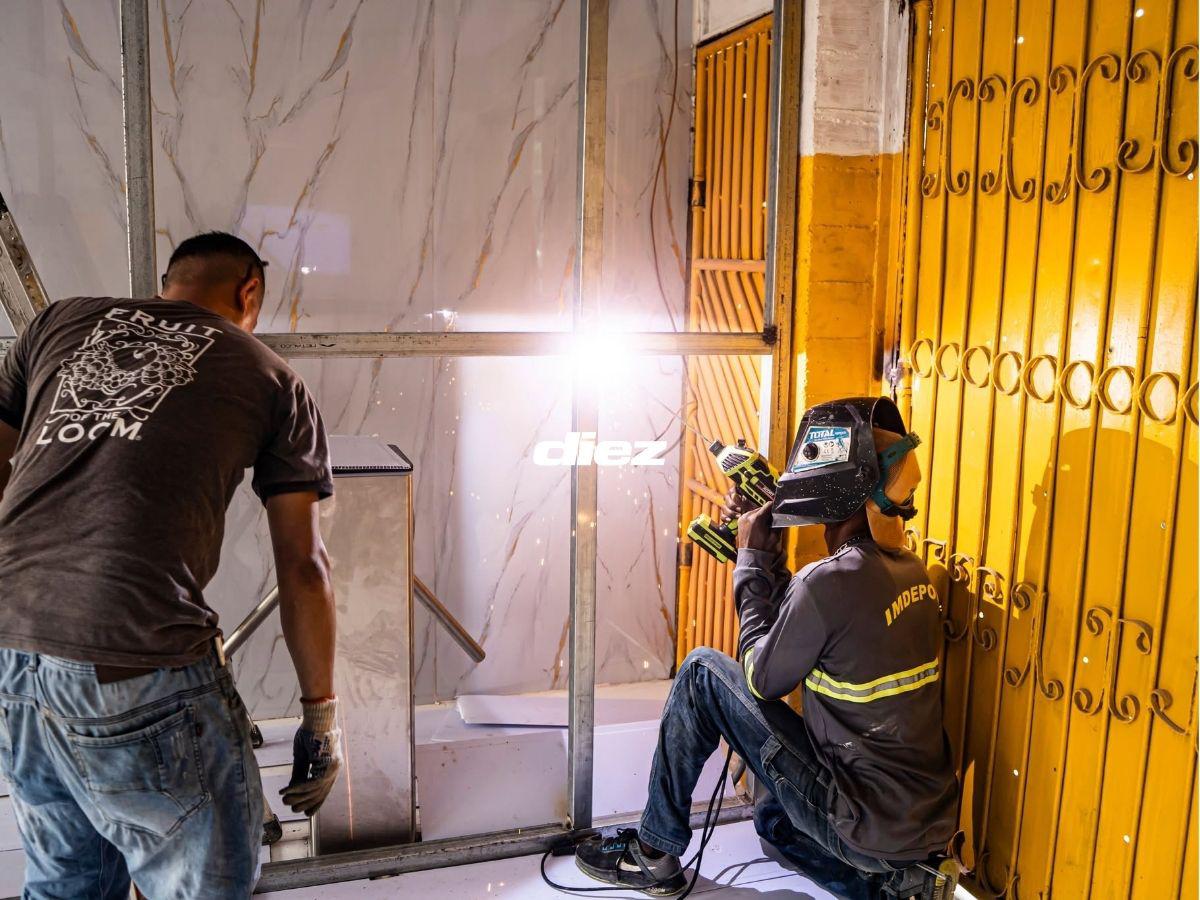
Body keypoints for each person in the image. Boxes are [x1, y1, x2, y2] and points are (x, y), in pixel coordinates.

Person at [0, 232, 341, 899]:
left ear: (168, 281)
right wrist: (320, 717)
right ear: (250, 291)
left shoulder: (56, 322)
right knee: (202, 885)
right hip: (136, 657)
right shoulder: (273, 377)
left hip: (12, 649)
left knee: (67, 881)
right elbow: (303, 566)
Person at [575, 397, 960, 899]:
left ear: (838, 490)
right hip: (917, 825)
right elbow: (811, 629)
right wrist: (769, 558)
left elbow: (762, 676)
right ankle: (894, 888)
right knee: (775, 822)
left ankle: (653, 855)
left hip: (860, 819)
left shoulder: (827, 583)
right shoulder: (911, 573)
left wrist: (753, 561)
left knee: (701, 674)